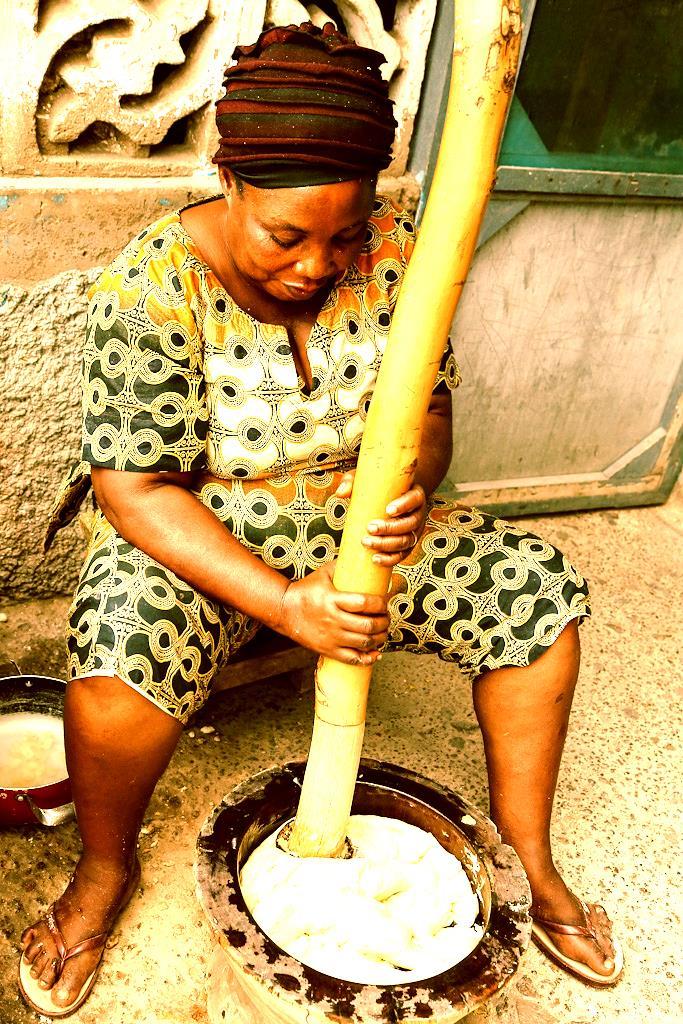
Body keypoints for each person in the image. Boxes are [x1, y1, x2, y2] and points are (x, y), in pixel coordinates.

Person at [19, 21, 621, 1018]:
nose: (318, 264)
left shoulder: (392, 261)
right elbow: (136, 490)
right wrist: (283, 602)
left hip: (357, 530)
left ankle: (532, 863)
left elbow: (429, 417)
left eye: (343, 233)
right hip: (199, 539)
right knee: (120, 651)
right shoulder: (155, 284)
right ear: (232, 182)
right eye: (287, 235)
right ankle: (99, 873)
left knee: (535, 599)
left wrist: (411, 482)